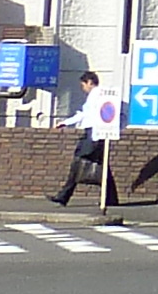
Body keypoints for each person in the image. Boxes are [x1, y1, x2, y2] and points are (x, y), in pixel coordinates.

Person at [49, 83, 125, 211]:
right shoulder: (103, 94)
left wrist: (66, 123)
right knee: (102, 168)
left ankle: (63, 196)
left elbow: (88, 114)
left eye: (83, 85)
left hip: (93, 135)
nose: (83, 88)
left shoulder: (96, 94)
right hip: (100, 135)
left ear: (89, 82)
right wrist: (66, 122)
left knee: (77, 163)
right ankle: (111, 199)